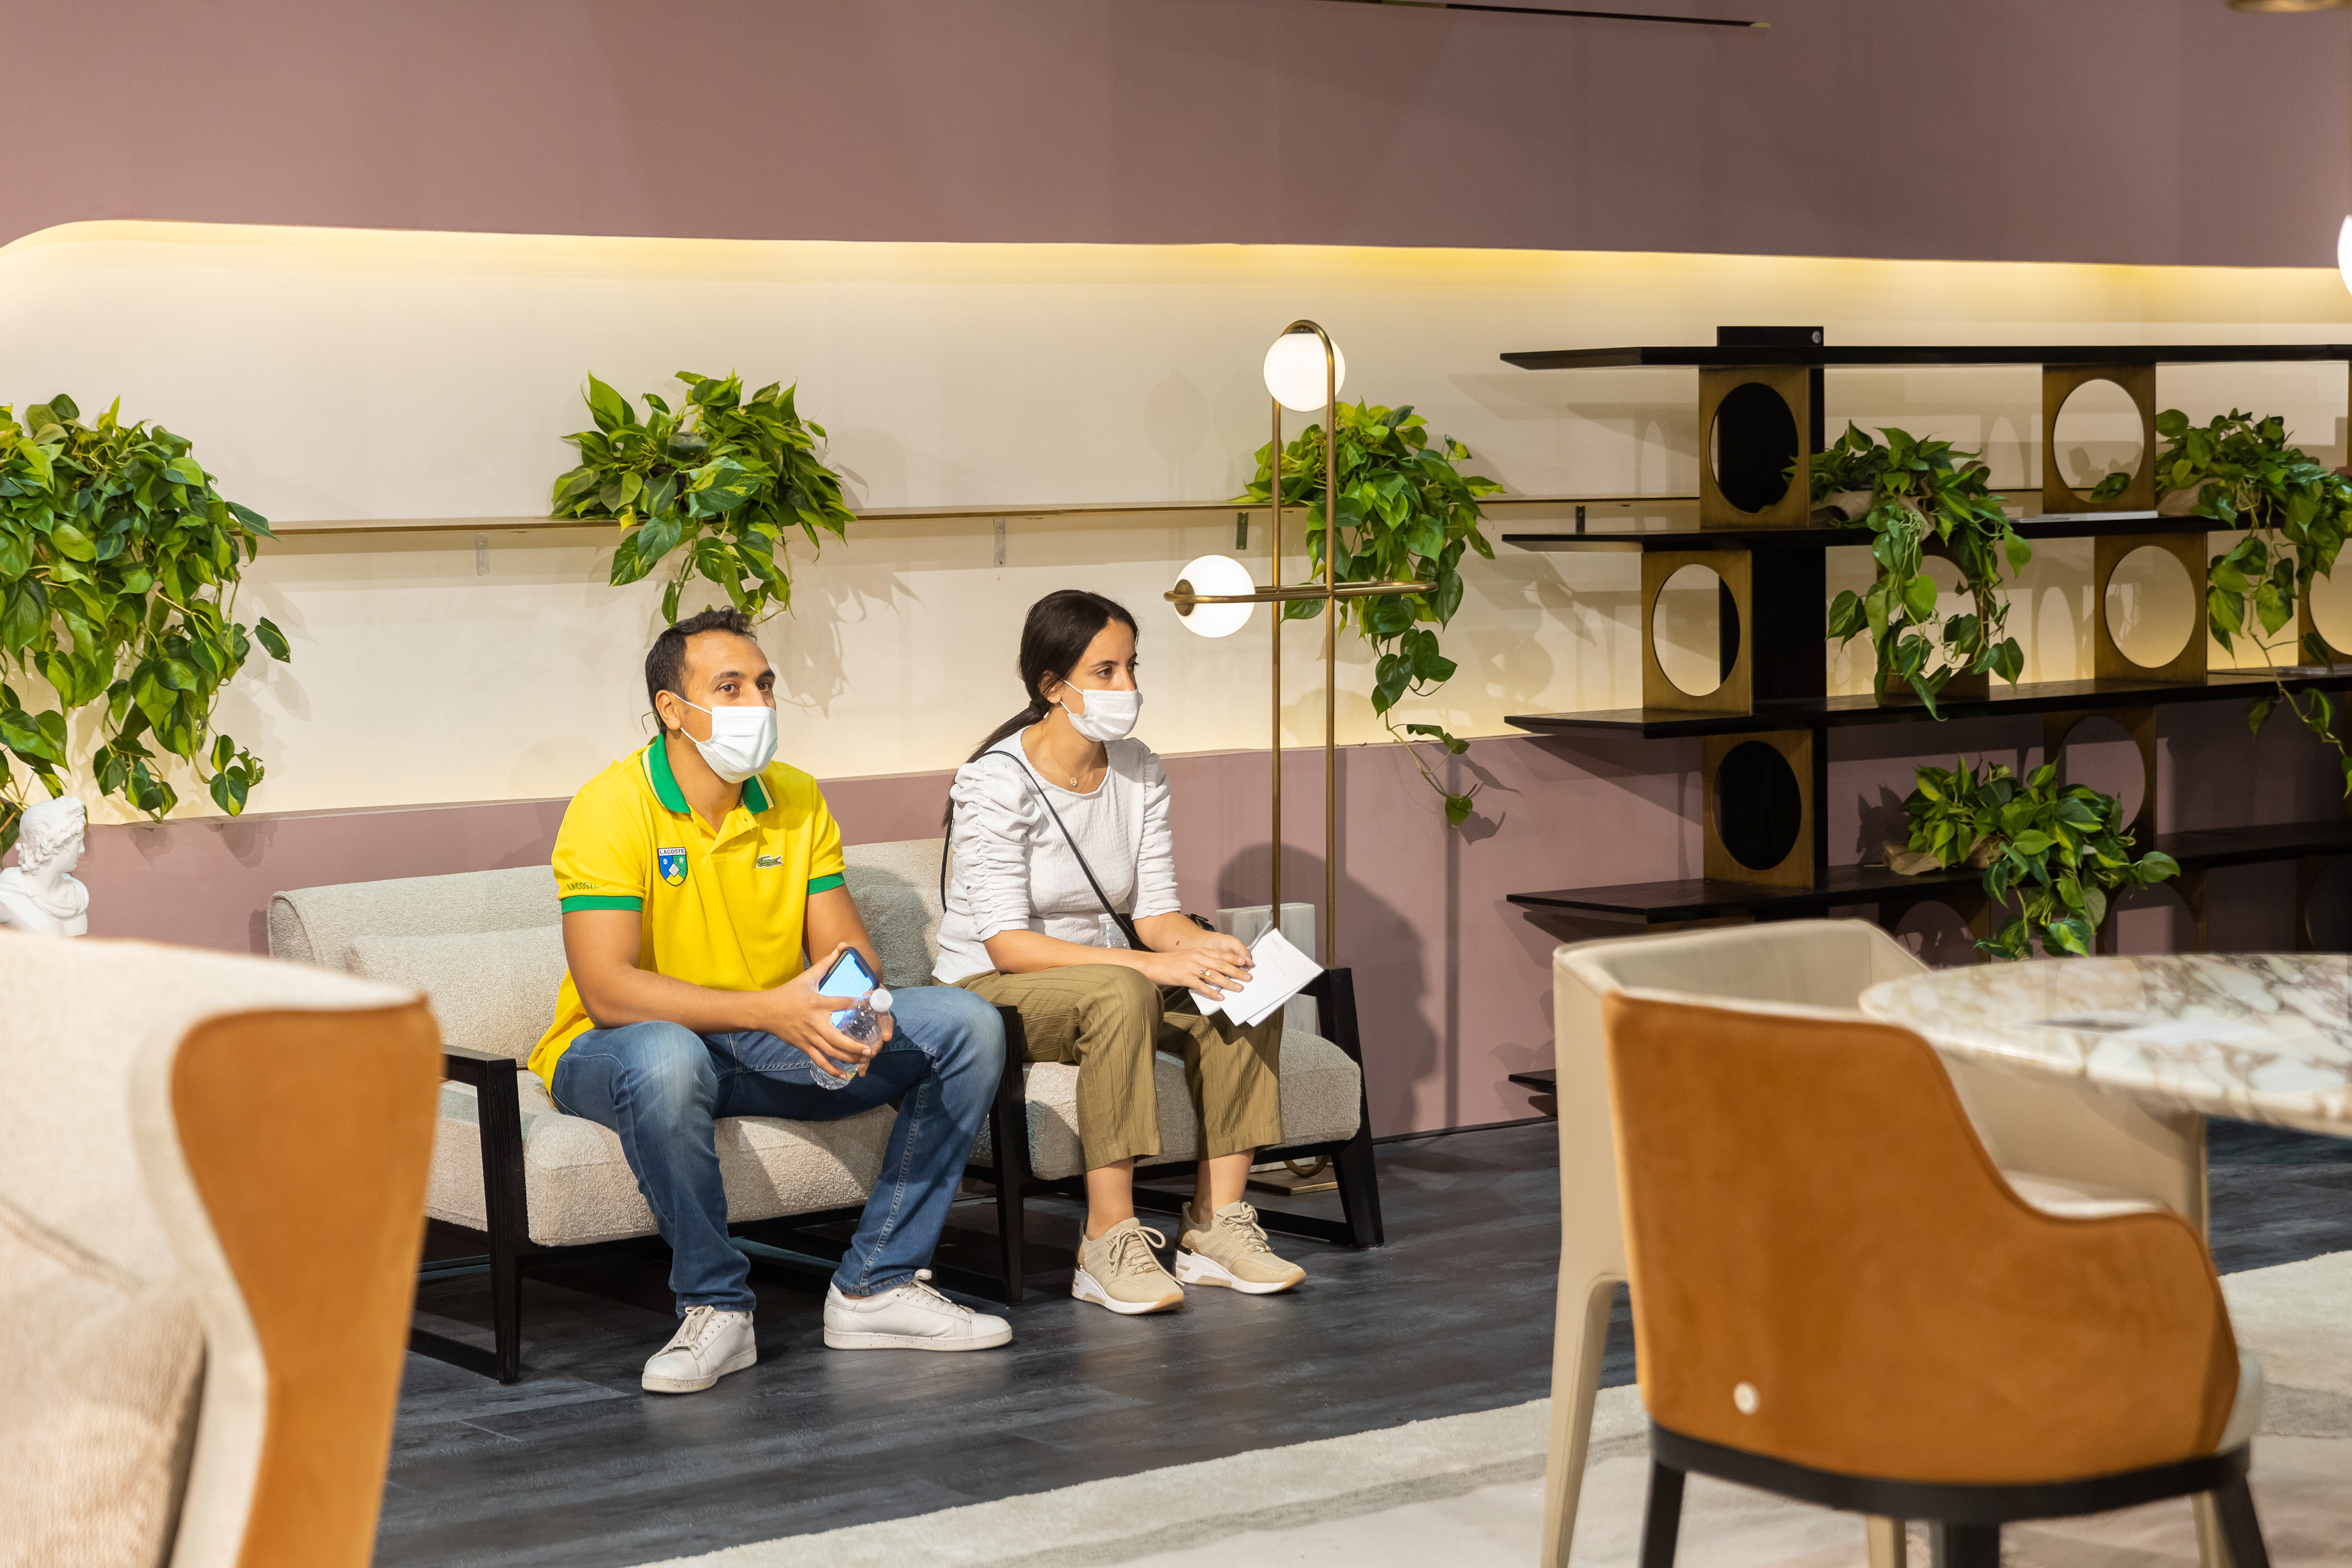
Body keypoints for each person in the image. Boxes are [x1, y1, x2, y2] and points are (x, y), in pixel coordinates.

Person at [532, 606, 1010, 1394]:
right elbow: (609, 990)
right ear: (672, 709)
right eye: (731, 687)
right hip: (621, 1048)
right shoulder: (610, 806)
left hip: (762, 1040)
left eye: (763, 684)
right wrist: (774, 1011)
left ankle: (878, 1284)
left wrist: (852, 1013)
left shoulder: (794, 796)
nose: (757, 703)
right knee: (667, 1054)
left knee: (967, 1024)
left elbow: (848, 952)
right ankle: (716, 1306)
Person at [936, 588, 1304, 1316]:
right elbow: (1007, 945)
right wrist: (1146, 965)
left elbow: (1156, 913)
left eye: (1131, 666)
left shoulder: (1139, 769)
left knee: (1245, 982)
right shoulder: (995, 781)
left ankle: (1216, 1225)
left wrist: (1207, 947)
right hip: (991, 986)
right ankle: (1106, 1241)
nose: (1126, 686)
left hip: (1106, 981)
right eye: (1104, 671)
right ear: (1053, 685)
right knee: (1124, 990)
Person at [0, 795, 90, 936]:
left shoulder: (76, 894)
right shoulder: (8, 897)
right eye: (79, 842)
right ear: (55, 842)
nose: (82, 850)